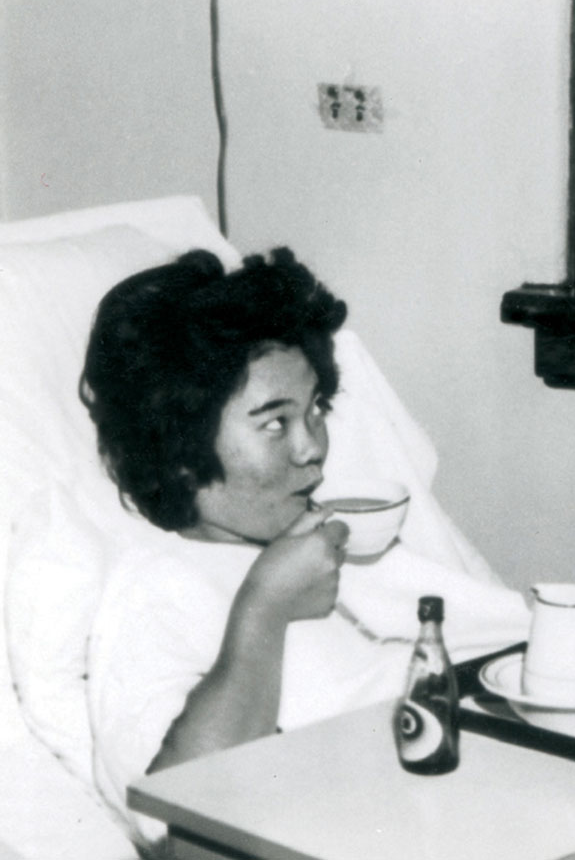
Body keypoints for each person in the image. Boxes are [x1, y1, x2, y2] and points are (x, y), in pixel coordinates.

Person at [80, 248, 530, 849]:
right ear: (183, 455)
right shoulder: (157, 594)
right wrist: (264, 608)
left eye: (315, 409)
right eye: (273, 422)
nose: (312, 447)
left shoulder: (351, 539)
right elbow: (180, 833)